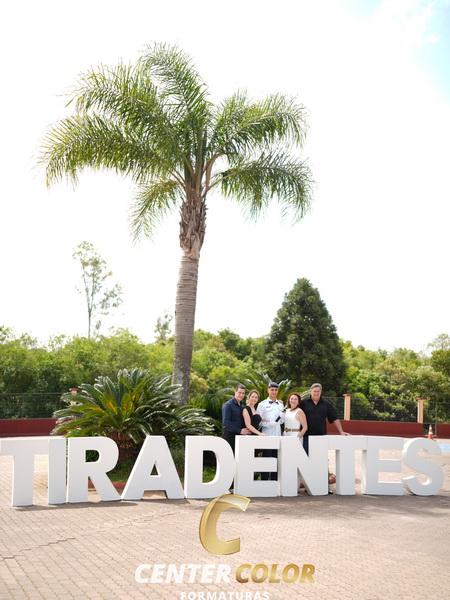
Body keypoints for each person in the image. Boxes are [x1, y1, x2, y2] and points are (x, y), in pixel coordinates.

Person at [299, 383, 349, 456]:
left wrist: (341, 431)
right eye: (314, 391)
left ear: (321, 392)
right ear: (311, 391)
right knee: (305, 457)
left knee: (321, 457)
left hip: (321, 436)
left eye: (318, 391)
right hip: (306, 436)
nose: (316, 393)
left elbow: (334, 418)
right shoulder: (303, 403)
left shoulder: (326, 404)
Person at [257, 382, 284, 480]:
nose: (274, 392)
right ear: (268, 390)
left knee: (276, 460)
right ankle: (264, 481)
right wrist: (268, 424)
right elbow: (258, 422)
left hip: (278, 436)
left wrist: (282, 418)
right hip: (267, 436)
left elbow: (282, 421)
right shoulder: (262, 404)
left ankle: (274, 482)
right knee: (266, 460)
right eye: (272, 390)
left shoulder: (281, 404)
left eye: (276, 390)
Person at [222, 384, 251, 453]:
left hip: (239, 438)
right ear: (235, 392)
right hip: (230, 438)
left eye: (243, 393)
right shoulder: (228, 405)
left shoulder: (242, 406)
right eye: (239, 392)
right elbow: (226, 423)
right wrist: (240, 430)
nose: (241, 395)